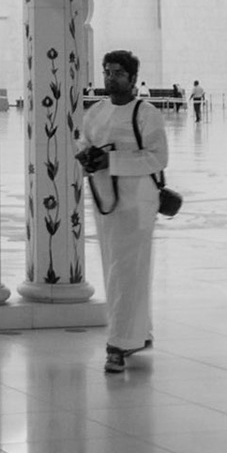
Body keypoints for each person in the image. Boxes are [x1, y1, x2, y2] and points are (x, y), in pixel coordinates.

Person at [79, 49, 168, 374]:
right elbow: (84, 141)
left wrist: (112, 161)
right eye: (107, 71)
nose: (110, 78)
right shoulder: (97, 112)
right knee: (117, 267)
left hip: (137, 203)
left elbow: (158, 158)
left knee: (125, 270)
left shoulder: (146, 113)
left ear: (132, 78)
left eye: (117, 73)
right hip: (107, 200)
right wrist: (87, 156)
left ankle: (117, 344)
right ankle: (138, 333)